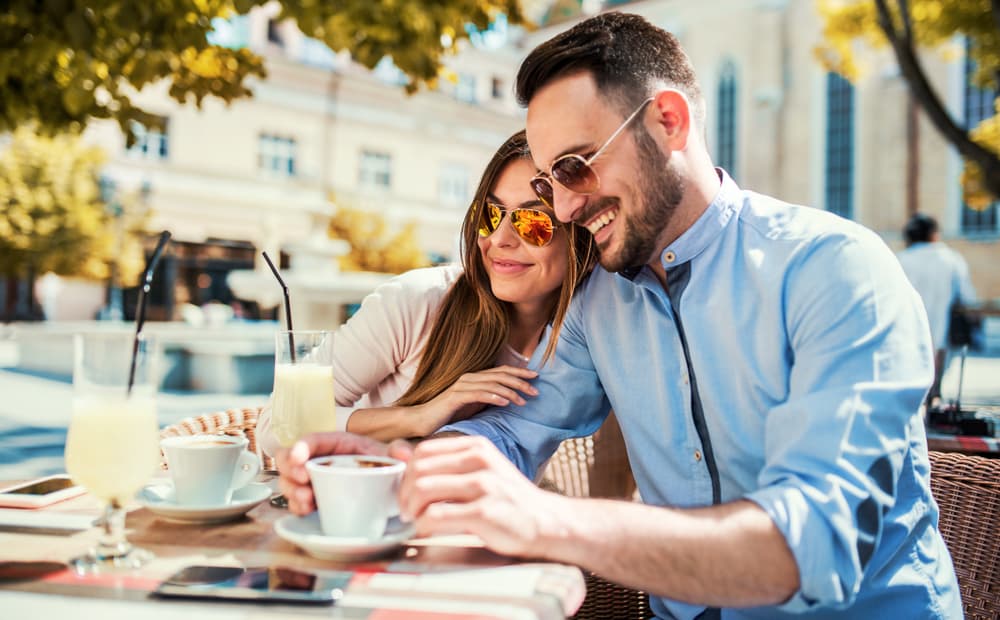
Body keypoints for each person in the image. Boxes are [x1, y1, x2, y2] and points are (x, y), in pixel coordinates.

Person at [278, 12, 960, 619]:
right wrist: (391, 469)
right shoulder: (600, 304)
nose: (566, 209)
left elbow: (815, 549)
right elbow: (514, 432)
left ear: (669, 121)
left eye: (575, 168)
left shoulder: (836, 270)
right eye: (549, 183)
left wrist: (547, 520)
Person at [257, 130, 598, 454]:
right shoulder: (417, 302)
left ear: (579, 235)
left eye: (533, 223)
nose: (498, 239)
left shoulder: (584, 343)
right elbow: (276, 424)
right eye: (490, 215)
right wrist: (419, 417)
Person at [896, 212, 978, 406]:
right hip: (941, 334)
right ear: (934, 234)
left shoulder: (901, 259)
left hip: (905, 333)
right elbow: (967, 296)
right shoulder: (950, 259)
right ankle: (933, 401)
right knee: (934, 383)